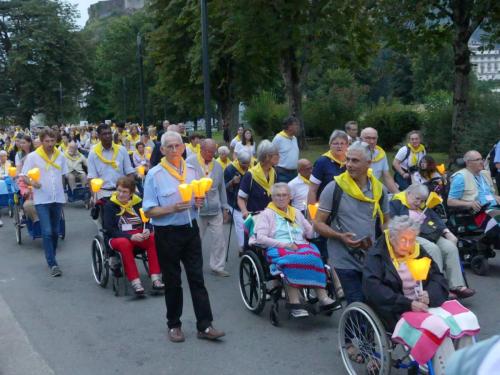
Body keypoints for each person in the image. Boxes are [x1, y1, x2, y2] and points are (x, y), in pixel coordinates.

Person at [363, 215, 478, 375]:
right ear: (392, 237)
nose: (409, 245)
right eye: (404, 240)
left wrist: (429, 295)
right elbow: (374, 290)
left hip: (426, 305)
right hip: (398, 309)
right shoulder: (377, 255)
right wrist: (408, 303)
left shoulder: (417, 250)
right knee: (439, 331)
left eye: (413, 240)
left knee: (464, 322)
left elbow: (438, 277)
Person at [143, 131, 224, 343]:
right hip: (167, 233)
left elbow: (199, 197)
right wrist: (172, 208)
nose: (174, 150)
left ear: (183, 147)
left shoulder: (191, 170)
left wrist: (198, 202)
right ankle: (174, 325)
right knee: (173, 281)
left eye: (177, 145)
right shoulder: (155, 174)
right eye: (169, 146)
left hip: (190, 229)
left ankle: (205, 325)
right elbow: (149, 211)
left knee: (197, 278)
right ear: (162, 150)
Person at [314, 141, 390, 304]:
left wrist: (389, 245)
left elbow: (386, 223)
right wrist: (340, 236)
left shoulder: (379, 190)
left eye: (355, 160)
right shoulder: (334, 188)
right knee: (357, 302)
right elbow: (318, 224)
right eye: (347, 159)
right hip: (343, 257)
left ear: (368, 163)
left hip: (370, 256)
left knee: (374, 302)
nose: (348, 164)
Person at [249, 183, 338, 318]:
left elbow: (310, 234)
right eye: (277, 195)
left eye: (284, 195)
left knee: (314, 258)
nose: (281, 198)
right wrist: (285, 245)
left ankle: (323, 297)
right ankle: (294, 302)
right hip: (278, 247)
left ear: (290, 197)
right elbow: (261, 238)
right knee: (291, 260)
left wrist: (316, 224)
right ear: (272, 197)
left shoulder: (295, 212)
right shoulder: (267, 214)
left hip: (300, 245)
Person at [390, 184, 475, 298]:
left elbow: (436, 219)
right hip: (411, 236)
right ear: (408, 193)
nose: (419, 203)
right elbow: (394, 225)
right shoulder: (396, 203)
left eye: (422, 200)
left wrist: (447, 233)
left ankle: (457, 285)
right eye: (417, 199)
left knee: (450, 247)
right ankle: (437, 287)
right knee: (432, 249)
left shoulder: (424, 206)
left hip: (431, 233)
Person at [102, 176, 163, 295]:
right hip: (118, 237)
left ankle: (156, 278)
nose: (120, 194)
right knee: (124, 243)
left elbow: (148, 220)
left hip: (137, 233)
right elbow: (110, 229)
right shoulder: (110, 205)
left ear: (131, 193)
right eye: (119, 190)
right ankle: (135, 281)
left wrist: (148, 230)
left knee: (152, 238)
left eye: (124, 192)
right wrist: (130, 237)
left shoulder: (138, 202)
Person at [22, 128, 68, 277]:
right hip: (42, 199)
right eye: (47, 141)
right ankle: (52, 263)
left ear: (56, 141)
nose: (49, 143)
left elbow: (62, 175)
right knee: (47, 232)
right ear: (41, 141)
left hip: (57, 198)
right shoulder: (33, 157)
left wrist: (63, 194)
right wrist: (32, 183)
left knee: (55, 232)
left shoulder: (60, 155)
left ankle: (51, 255)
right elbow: (24, 176)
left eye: (52, 140)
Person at [187, 139, 230, 277]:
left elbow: (221, 187)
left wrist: (225, 208)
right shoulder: (190, 162)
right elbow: (185, 184)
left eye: (213, 152)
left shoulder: (217, 166)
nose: (212, 154)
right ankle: (194, 266)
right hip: (197, 209)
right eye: (209, 151)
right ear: (201, 150)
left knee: (219, 239)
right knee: (195, 241)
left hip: (214, 208)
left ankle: (217, 267)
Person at [448, 150, 500, 247]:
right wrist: (469, 204)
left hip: (494, 207)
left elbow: (488, 193)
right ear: (468, 163)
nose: (481, 162)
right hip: (477, 212)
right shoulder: (460, 177)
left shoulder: (485, 174)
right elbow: (450, 201)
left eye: (482, 159)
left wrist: (495, 197)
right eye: (477, 160)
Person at [87, 124, 135, 199]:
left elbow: (129, 173)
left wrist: (130, 192)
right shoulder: (93, 153)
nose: (108, 136)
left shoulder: (121, 150)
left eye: (109, 133)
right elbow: (91, 177)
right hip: (102, 193)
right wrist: (93, 196)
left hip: (121, 193)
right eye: (104, 134)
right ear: (99, 136)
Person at [237, 140, 279, 219]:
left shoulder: (275, 172)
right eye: (276, 154)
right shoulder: (250, 175)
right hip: (255, 219)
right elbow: (240, 198)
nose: (279, 156)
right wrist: (244, 211)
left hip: (272, 217)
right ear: (267, 157)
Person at [307, 129, 348, 204]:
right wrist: (312, 213)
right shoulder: (322, 162)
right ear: (330, 144)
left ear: (347, 145)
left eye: (342, 143)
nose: (339, 146)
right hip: (325, 205)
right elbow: (312, 190)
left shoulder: (351, 161)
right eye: (335, 143)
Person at [224, 150, 251, 255]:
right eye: (243, 163)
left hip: (249, 201)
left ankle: (250, 245)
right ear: (238, 161)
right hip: (234, 201)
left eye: (248, 163)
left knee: (250, 224)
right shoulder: (229, 169)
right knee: (240, 225)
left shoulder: (252, 167)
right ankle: (242, 248)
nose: (246, 166)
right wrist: (232, 182)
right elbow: (224, 187)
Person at [359, 127, 399, 193]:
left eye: (374, 138)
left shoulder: (381, 154)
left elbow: (387, 177)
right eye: (368, 138)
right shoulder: (352, 153)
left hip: (374, 191)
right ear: (361, 139)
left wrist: (399, 195)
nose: (372, 141)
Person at [272, 116, 300, 183]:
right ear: (290, 126)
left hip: (295, 173)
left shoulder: (294, 138)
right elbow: (272, 155)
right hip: (282, 174)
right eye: (296, 125)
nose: (297, 127)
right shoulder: (278, 138)